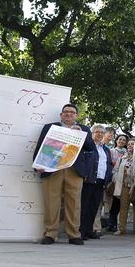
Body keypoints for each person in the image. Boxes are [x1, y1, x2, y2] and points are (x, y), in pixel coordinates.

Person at [32, 103, 94, 245]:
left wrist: (81, 135)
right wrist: (37, 165)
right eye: (66, 112)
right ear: (61, 115)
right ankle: (50, 234)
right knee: (51, 202)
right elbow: (40, 145)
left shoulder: (84, 129)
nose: (68, 114)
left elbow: (90, 147)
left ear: (77, 115)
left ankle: (74, 235)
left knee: (74, 203)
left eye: (72, 112)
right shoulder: (50, 127)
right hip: (52, 169)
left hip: (74, 170)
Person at [80, 124, 113, 240]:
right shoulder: (87, 147)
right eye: (97, 132)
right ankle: (81, 231)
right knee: (84, 206)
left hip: (100, 181)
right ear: (92, 134)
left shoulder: (106, 149)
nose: (99, 134)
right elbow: (82, 162)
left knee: (94, 207)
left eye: (101, 132)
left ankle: (89, 230)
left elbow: (108, 165)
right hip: (88, 180)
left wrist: (107, 179)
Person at [112, 138, 135, 235]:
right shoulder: (122, 158)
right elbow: (114, 171)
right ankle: (121, 228)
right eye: (128, 144)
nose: (130, 146)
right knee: (123, 207)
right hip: (124, 184)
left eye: (132, 144)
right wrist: (116, 180)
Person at [107, 134, 129, 233]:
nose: (122, 141)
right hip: (114, 178)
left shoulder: (127, 152)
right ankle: (112, 224)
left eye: (124, 140)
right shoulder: (111, 151)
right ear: (116, 140)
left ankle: (121, 225)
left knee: (123, 204)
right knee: (114, 204)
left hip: (125, 181)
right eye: (120, 139)